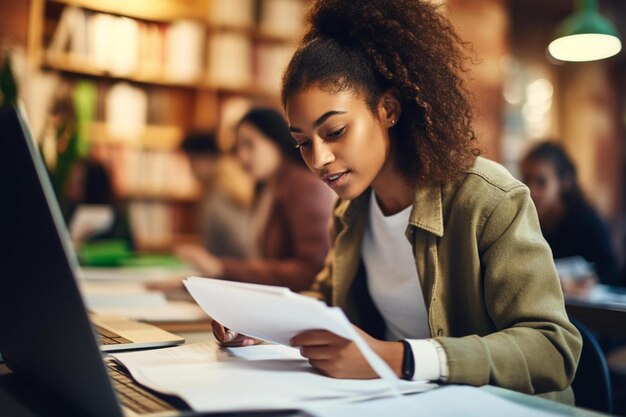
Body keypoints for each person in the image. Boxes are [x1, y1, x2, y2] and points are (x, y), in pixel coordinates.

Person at [211, 0, 582, 404]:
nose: (318, 160)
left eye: (334, 131)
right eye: (302, 143)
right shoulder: (351, 210)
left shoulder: (489, 199)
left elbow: (552, 348)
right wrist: (261, 323)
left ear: (388, 110)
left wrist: (396, 358)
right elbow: (329, 301)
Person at [175, 108, 334, 292]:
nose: (241, 157)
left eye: (250, 145)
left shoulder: (304, 186)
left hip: (299, 307)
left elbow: (312, 270)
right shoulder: (266, 188)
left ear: (275, 140)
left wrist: (221, 267)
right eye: (237, 149)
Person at [520, 141, 621, 291]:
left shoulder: (587, 221)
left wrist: (588, 283)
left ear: (564, 182)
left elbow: (612, 276)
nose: (531, 191)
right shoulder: (524, 220)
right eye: (527, 180)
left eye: (541, 182)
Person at [180, 131, 252, 259]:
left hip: (231, 274)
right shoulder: (227, 187)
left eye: (191, 161)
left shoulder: (220, 196)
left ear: (207, 159)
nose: (190, 169)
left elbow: (243, 247)